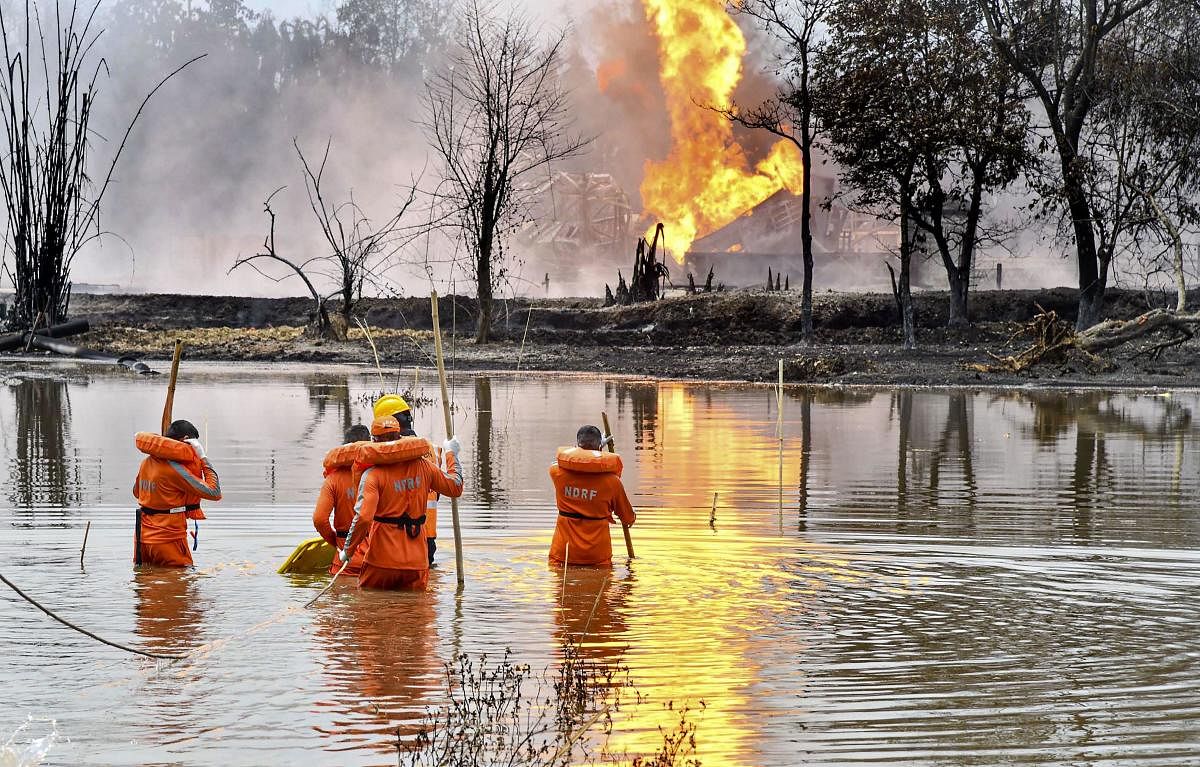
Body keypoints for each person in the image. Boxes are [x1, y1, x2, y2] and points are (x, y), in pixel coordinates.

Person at [340, 416, 463, 591]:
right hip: (417, 563)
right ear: (399, 437)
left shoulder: (372, 475)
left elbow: (363, 518)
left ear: (374, 441)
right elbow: (455, 487)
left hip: (380, 562)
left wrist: (348, 551)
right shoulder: (424, 467)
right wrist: (452, 454)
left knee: (370, 611)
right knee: (415, 613)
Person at [132, 419, 222, 567]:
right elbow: (214, 492)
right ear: (186, 440)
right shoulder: (176, 470)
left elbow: (136, 492)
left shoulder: (146, 462)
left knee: (146, 583)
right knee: (180, 588)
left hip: (142, 539)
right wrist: (203, 458)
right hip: (169, 539)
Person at [549, 425, 635, 567]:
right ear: (600, 448)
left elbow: (559, 462)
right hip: (597, 557)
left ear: (576, 446)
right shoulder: (613, 482)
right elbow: (628, 518)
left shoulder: (556, 473)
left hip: (562, 555)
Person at [373, 394, 442, 567]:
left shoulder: (386, 454)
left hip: (396, 534)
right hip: (427, 532)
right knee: (423, 581)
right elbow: (441, 491)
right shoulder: (432, 449)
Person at [313, 424, 371, 576]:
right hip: (377, 560)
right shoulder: (379, 474)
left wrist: (337, 542)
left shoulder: (333, 480)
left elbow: (319, 520)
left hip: (345, 561)